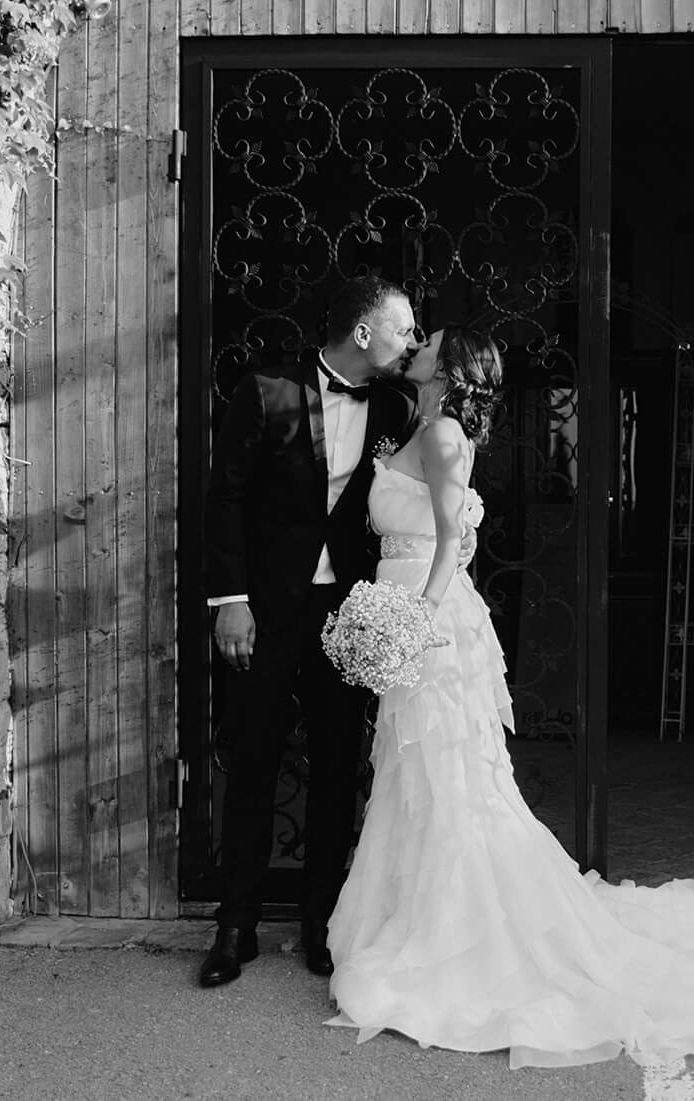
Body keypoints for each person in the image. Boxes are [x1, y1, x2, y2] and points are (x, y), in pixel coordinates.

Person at [326, 326, 694, 1072]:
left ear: (449, 370)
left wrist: (411, 623)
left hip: (431, 626)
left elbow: (453, 543)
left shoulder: (445, 435)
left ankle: (461, 940)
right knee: (416, 779)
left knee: (453, 780)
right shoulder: (418, 423)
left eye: (432, 341)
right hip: (406, 613)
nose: (417, 342)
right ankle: (412, 920)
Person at [200, 275, 420, 988]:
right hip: (264, 608)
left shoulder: (396, 403)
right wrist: (230, 600)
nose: (411, 339)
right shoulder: (266, 389)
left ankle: (325, 922)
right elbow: (225, 497)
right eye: (402, 327)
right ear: (364, 333)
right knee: (253, 759)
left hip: (348, 612)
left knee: (335, 768)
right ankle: (235, 924)